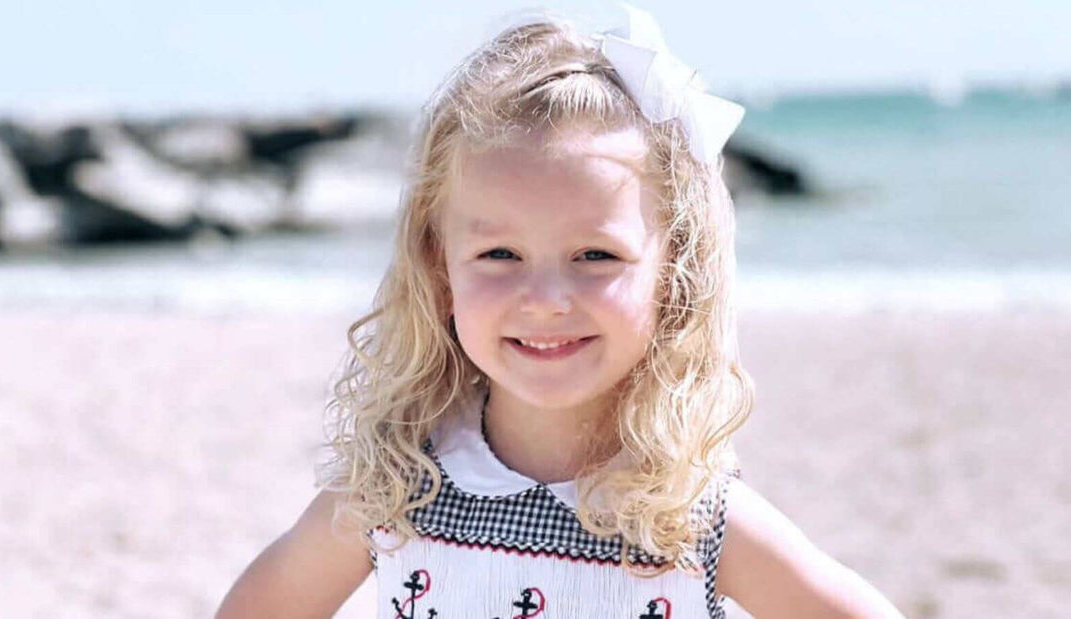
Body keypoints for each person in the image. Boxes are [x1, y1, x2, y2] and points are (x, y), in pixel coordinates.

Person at [218, 6, 904, 618]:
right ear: (440, 268)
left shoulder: (691, 516)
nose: (546, 299)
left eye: (595, 256)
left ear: (673, 273)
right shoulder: (397, 488)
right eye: (500, 254)